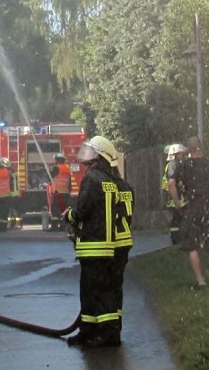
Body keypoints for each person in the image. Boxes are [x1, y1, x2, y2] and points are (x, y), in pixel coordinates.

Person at [62, 135, 121, 348]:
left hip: (92, 245)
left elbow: (83, 210)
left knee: (94, 291)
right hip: (107, 246)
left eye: (92, 153)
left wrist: (68, 215)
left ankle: (106, 335)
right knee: (98, 290)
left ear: (100, 156)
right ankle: (90, 331)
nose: (87, 158)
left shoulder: (91, 178)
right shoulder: (110, 181)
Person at [168, 135, 209, 288]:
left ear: (188, 150)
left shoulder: (183, 165)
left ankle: (201, 281)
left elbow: (171, 184)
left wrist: (177, 203)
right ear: (201, 148)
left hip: (191, 208)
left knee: (192, 245)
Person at [110, 158, 134, 337]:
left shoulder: (109, 188)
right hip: (126, 239)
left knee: (108, 284)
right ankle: (117, 321)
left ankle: (110, 325)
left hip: (113, 240)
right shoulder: (127, 187)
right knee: (118, 284)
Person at [161, 143, 188, 244]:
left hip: (175, 198)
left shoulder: (173, 164)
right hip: (176, 199)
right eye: (181, 153)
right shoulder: (173, 164)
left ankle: (179, 240)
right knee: (177, 221)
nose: (183, 155)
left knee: (177, 221)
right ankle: (177, 241)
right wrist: (177, 202)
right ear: (176, 154)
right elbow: (172, 183)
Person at [47, 152, 72, 228]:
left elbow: (49, 177)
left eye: (55, 160)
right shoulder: (68, 168)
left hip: (58, 192)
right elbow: (70, 182)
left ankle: (54, 226)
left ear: (57, 160)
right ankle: (63, 225)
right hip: (66, 192)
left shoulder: (56, 168)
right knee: (63, 210)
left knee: (55, 210)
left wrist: (49, 170)